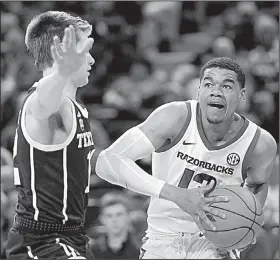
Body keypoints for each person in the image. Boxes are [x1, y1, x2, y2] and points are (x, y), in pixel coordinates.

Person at [95, 57, 277, 259]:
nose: (216, 91)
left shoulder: (260, 143)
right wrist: (176, 195)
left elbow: (258, 184)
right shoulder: (175, 117)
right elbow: (106, 162)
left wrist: (246, 228)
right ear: (199, 91)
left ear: (242, 95)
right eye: (208, 84)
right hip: (163, 238)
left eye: (226, 85)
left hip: (215, 244)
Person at [6, 11, 95, 259]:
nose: (91, 60)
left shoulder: (74, 106)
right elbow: (44, 102)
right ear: (61, 54)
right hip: (40, 241)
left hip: (72, 236)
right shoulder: (45, 103)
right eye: (84, 50)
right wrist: (62, 73)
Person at [91, 192, 139, 259]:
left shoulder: (141, 250)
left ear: (128, 216)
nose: (114, 220)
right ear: (102, 219)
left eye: (119, 215)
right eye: (109, 216)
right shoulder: (92, 252)